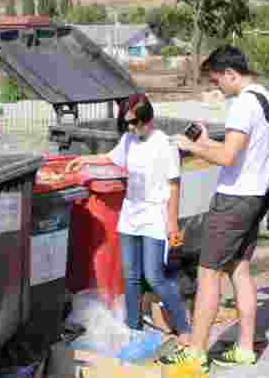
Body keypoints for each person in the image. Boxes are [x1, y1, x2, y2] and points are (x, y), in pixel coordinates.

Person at [163, 45, 269, 371]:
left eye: (218, 81)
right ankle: (244, 348)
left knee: (208, 273)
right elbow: (240, 152)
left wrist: (191, 147)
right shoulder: (267, 99)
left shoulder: (243, 104)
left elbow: (228, 158)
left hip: (233, 200)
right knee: (239, 270)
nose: (218, 88)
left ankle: (196, 354)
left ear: (232, 74)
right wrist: (203, 141)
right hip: (256, 197)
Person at [65, 93, 192, 346]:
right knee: (130, 275)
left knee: (154, 276)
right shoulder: (128, 141)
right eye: (128, 124)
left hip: (155, 216)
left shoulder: (164, 144)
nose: (132, 128)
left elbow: (174, 185)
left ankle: (185, 329)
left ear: (149, 119)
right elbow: (111, 158)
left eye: (136, 123)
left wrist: (172, 222)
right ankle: (133, 328)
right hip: (130, 216)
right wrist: (83, 159)